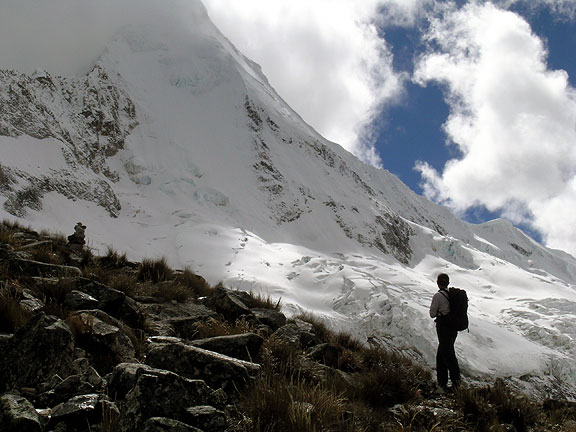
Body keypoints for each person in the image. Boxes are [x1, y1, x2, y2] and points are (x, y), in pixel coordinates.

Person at [429, 273, 460, 391]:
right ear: (448, 283)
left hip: (443, 327)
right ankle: (443, 382)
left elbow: (432, 314)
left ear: (438, 283)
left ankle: (454, 383)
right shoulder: (452, 295)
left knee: (447, 354)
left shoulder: (438, 296)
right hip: (453, 328)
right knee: (443, 353)